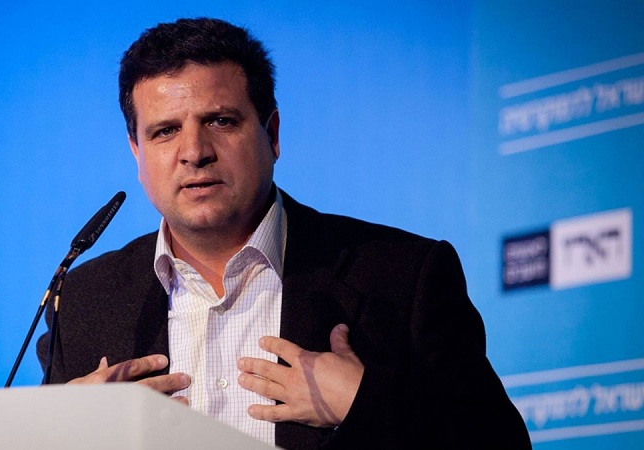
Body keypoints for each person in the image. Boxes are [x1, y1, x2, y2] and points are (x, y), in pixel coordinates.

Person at [36, 17, 531, 449]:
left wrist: (361, 403)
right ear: (136, 152)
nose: (194, 152)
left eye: (220, 121)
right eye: (165, 131)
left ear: (272, 134)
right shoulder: (83, 303)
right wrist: (60, 433)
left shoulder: (402, 276)